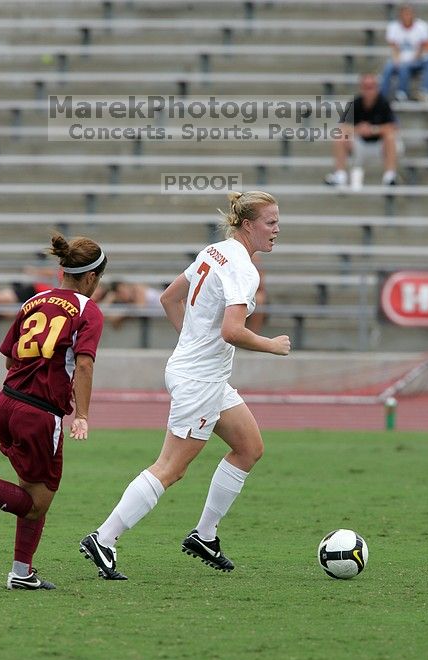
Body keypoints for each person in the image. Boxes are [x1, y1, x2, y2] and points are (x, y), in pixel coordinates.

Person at [79, 191, 290, 580]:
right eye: (271, 222)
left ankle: (204, 535)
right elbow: (232, 331)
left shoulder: (215, 251)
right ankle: (103, 538)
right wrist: (271, 346)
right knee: (171, 468)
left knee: (248, 448)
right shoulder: (244, 269)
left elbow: (167, 298)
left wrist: (190, 341)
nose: (277, 229)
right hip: (200, 379)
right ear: (248, 225)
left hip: (196, 371)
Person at [0, 234, 107, 590]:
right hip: (39, 413)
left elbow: (9, 352)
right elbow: (86, 366)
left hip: (6, 401)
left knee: (31, 490)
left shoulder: (34, 301)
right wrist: (83, 415)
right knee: (34, 503)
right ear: (91, 277)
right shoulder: (88, 310)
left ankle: (22, 572)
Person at [324, 74, 399, 188]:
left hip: (380, 145)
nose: (368, 91)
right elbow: (343, 126)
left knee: (390, 136)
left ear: (376, 88)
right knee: (340, 135)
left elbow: (392, 127)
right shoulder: (356, 103)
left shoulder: (383, 103)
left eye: (371, 87)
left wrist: (373, 129)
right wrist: (358, 129)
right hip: (359, 144)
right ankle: (340, 175)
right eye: (366, 87)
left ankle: (390, 176)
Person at [380, 3, 428, 102]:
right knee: (389, 67)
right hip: (400, 59)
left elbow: (426, 47)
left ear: (414, 14)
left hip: (418, 59)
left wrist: (412, 60)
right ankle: (382, 96)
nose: (407, 16)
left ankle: (425, 91)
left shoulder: (422, 27)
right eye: (405, 13)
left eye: (409, 13)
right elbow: (394, 48)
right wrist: (398, 61)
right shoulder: (393, 27)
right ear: (400, 15)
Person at [96, 280, 163, 329]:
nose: (124, 294)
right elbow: (113, 322)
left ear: (126, 285)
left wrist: (124, 314)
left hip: (169, 302)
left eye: (123, 290)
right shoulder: (127, 306)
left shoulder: (137, 288)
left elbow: (140, 309)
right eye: (120, 294)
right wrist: (109, 298)